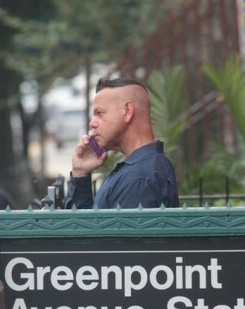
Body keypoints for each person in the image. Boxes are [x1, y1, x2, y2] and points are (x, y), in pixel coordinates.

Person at [64, 78, 179, 210]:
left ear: (127, 111)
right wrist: (81, 173)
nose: (92, 123)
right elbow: (89, 225)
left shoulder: (139, 178)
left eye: (99, 113)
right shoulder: (139, 169)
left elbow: (94, 230)